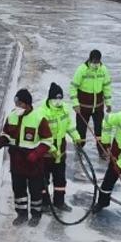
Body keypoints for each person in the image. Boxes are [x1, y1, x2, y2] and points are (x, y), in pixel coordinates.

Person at [0, 89, 52, 226]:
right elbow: (6, 135)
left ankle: (36, 215)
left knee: (35, 192)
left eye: (20, 104)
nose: (17, 106)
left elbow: (47, 141)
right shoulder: (12, 116)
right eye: (16, 103)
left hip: (33, 163)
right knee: (18, 190)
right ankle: (21, 214)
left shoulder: (39, 118)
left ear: (28, 105)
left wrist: (36, 154)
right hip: (17, 162)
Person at [39, 82, 82, 212]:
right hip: (47, 150)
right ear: (49, 98)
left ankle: (59, 202)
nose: (58, 101)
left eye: (60, 98)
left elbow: (69, 125)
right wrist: (51, 149)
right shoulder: (42, 112)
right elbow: (41, 134)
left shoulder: (64, 108)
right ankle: (44, 203)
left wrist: (76, 136)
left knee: (60, 179)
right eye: (55, 98)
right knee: (43, 179)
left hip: (61, 148)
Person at [70, 49, 112, 158]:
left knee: (100, 131)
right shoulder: (82, 70)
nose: (96, 64)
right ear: (89, 59)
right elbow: (73, 87)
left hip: (98, 107)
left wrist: (108, 103)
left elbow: (106, 86)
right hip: (83, 108)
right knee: (81, 130)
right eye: (94, 61)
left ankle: (102, 150)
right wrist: (75, 104)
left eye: (98, 62)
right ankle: (80, 147)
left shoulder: (103, 70)